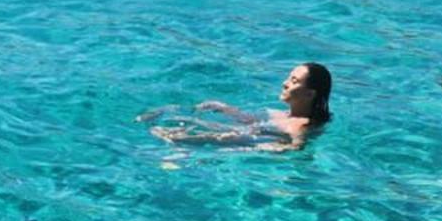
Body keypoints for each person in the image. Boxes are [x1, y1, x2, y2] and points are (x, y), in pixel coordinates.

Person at [143, 62, 333, 150]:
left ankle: (178, 140)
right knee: (187, 119)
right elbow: (247, 119)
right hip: (250, 133)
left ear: (309, 94)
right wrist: (225, 108)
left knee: (224, 136)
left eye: (294, 81)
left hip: (247, 141)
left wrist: (262, 147)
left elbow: (295, 149)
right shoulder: (281, 114)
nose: (285, 83)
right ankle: (169, 120)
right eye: (288, 77)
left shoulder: (302, 125)